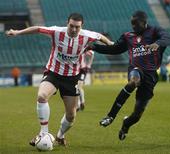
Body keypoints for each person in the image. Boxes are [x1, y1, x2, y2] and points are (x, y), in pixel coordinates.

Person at [6, 12, 113, 146]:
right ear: (67, 23)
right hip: (53, 73)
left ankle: (60, 136)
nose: (74, 29)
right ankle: (43, 133)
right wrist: (17, 32)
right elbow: (37, 28)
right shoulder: (57, 32)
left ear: (82, 26)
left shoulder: (87, 35)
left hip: (72, 78)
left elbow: (100, 36)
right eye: (71, 26)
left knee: (71, 116)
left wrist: (110, 43)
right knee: (41, 96)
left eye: (77, 27)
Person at [87, 10, 170, 140]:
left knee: (137, 114)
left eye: (136, 24)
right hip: (136, 69)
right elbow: (114, 49)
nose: (133, 26)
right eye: (132, 24)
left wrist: (157, 44)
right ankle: (110, 116)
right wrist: (94, 47)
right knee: (133, 81)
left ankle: (126, 124)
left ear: (144, 22)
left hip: (150, 75)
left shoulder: (155, 31)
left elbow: (167, 38)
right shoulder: (128, 36)